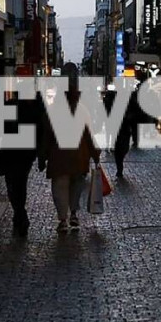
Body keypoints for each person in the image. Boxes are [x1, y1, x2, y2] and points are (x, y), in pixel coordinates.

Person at [40, 64, 101, 233]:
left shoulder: (53, 110)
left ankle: (62, 219)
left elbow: (46, 136)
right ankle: (73, 213)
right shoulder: (83, 110)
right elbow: (89, 136)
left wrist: (42, 157)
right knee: (76, 187)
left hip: (58, 158)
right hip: (79, 158)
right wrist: (95, 154)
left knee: (60, 188)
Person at [0, 92, 45, 236]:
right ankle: (19, 213)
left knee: (16, 184)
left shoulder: (37, 109)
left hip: (21, 154)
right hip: (15, 152)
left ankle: (19, 213)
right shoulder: (30, 107)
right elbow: (1, 126)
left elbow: (42, 133)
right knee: (15, 184)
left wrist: (41, 156)